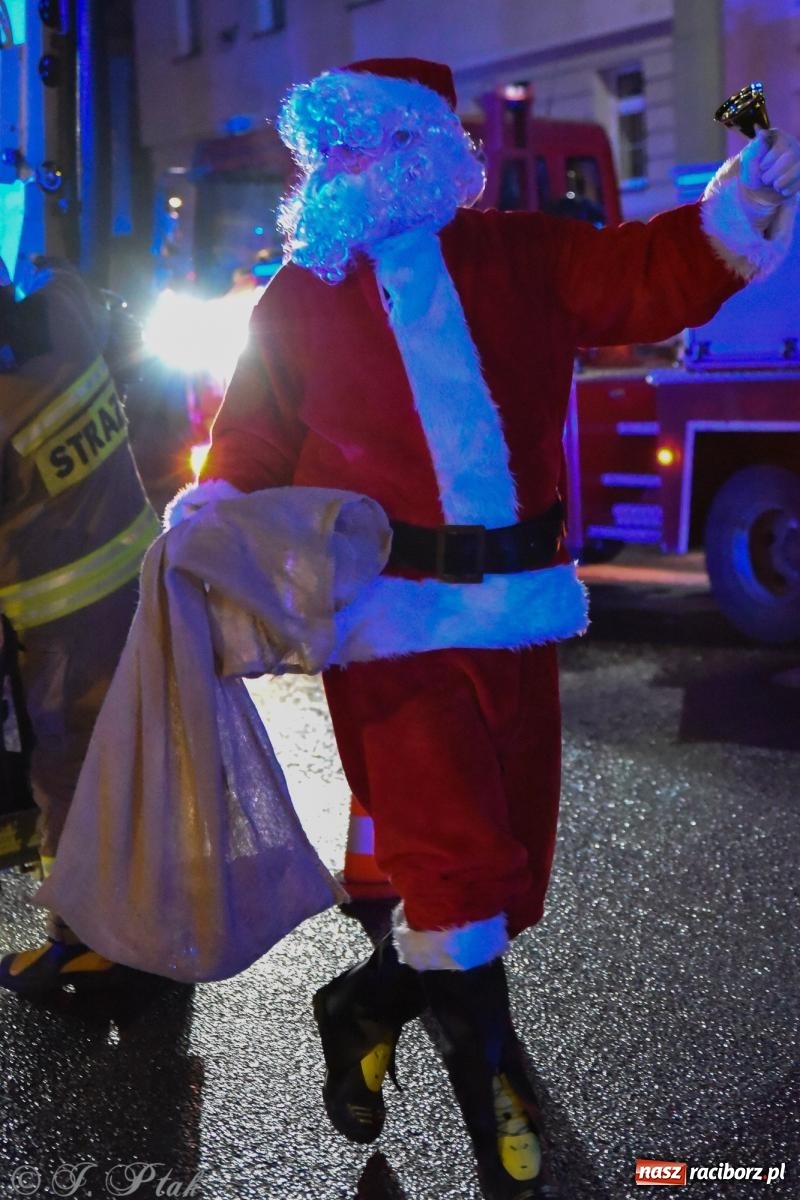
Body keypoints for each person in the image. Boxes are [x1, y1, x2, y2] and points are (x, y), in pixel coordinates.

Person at [168, 59, 800, 1200]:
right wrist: (212, 525)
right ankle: (495, 1122)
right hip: (389, 632)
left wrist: (740, 206)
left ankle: (359, 1004)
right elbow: (250, 449)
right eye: (330, 155)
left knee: (508, 882)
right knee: (457, 873)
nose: (343, 172)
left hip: (515, 620)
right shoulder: (300, 301)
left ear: (425, 150)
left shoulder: (519, 256)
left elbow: (644, 273)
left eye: (366, 148)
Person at [0, 257, 160, 996]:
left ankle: (87, 944)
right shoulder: (63, 310)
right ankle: (144, 926)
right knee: (134, 761)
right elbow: (94, 295)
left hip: (65, 632)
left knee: (68, 774)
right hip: (142, 592)